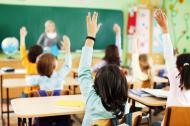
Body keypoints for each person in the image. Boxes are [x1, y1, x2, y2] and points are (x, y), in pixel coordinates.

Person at [78, 12, 129, 126]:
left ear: (98, 85)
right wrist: (118, 33)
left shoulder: (92, 101)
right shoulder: (125, 106)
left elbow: (84, 72)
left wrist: (91, 36)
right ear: (122, 85)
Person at [152, 9, 190, 126]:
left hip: (169, 124)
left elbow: (168, 55)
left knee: (154, 123)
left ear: (178, 67)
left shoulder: (175, 78)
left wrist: (165, 29)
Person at [20, 27, 43, 95]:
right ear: (41, 55)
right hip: (40, 94)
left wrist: (22, 36)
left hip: (28, 93)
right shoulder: (43, 65)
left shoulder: (26, 63)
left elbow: (22, 49)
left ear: (29, 53)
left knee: (23, 95)